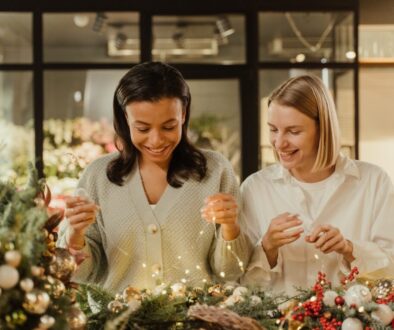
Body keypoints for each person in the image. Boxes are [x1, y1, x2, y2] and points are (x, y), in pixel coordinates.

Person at [57, 62, 252, 293]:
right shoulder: (98, 176)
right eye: (142, 128)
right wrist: (75, 235)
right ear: (125, 118)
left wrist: (230, 227)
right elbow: (81, 275)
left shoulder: (215, 171)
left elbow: (230, 272)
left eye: (169, 126)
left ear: (184, 114)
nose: (156, 140)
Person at [241, 74, 394, 295]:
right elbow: (242, 285)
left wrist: (349, 249)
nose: (279, 143)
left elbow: (390, 270)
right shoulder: (255, 188)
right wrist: (268, 247)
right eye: (273, 129)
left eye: (293, 131)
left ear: (323, 130)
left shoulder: (373, 182)